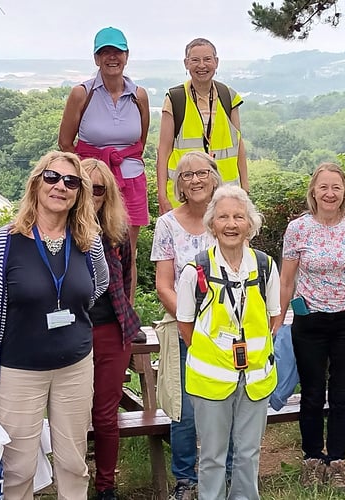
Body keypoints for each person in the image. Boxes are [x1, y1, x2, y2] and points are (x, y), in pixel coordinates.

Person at [0, 151, 109, 500]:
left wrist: (67, 309)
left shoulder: (88, 241)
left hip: (75, 368)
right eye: (52, 177)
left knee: (74, 463)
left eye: (71, 182)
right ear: (36, 183)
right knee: (18, 467)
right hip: (20, 371)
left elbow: (99, 285)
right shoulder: (5, 241)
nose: (60, 186)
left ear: (79, 194)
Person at [176, 185, 279, 500]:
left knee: (248, 454)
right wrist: (216, 355)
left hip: (255, 379)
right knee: (212, 456)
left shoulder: (265, 266)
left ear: (250, 223)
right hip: (210, 380)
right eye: (223, 217)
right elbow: (185, 325)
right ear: (212, 224)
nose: (231, 224)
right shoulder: (196, 270)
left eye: (238, 216)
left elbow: (274, 318)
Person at [278, 163, 345, 492]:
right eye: (323, 187)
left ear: (344, 191)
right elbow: (287, 279)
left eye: (336, 187)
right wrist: (279, 318)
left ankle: (337, 461)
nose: (330, 193)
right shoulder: (298, 229)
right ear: (314, 192)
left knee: (343, 393)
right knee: (313, 393)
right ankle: (312, 459)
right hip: (310, 321)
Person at [59, 26, 150, 304]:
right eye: (105, 52)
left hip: (129, 179)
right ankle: (85, 308)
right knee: (83, 242)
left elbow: (140, 143)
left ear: (127, 55)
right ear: (96, 58)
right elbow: (65, 142)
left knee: (127, 251)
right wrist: (87, 173)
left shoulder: (139, 95)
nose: (112, 58)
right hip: (90, 183)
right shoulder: (81, 94)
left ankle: (127, 312)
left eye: (117, 52)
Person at [150, 151, 222, 500]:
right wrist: (190, 321)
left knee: (225, 403)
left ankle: (223, 473)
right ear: (178, 184)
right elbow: (163, 284)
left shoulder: (226, 215)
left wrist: (217, 323)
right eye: (186, 175)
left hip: (226, 328)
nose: (195, 180)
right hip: (184, 327)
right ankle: (185, 480)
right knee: (186, 409)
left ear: (214, 176)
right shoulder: (167, 224)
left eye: (201, 173)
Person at [82, 158, 145, 500]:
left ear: (108, 195)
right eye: (83, 186)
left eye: (98, 189)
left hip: (111, 330)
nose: (90, 196)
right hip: (71, 333)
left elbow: (126, 278)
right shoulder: (57, 232)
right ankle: (73, 481)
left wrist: (127, 315)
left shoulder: (117, 233)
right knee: (72, 414)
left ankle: (105, 486)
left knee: (105, 414)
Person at [156, 38, 247, 214]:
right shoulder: (176, 99)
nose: (202, 65)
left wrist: (245, 188)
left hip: (225, 192)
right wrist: (162, 195)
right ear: (186, 63)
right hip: (186, 191)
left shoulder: (229, 97)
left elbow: (239, 145)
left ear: (216, 62)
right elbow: (164, 149)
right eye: (195, 60)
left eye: (207, 59)